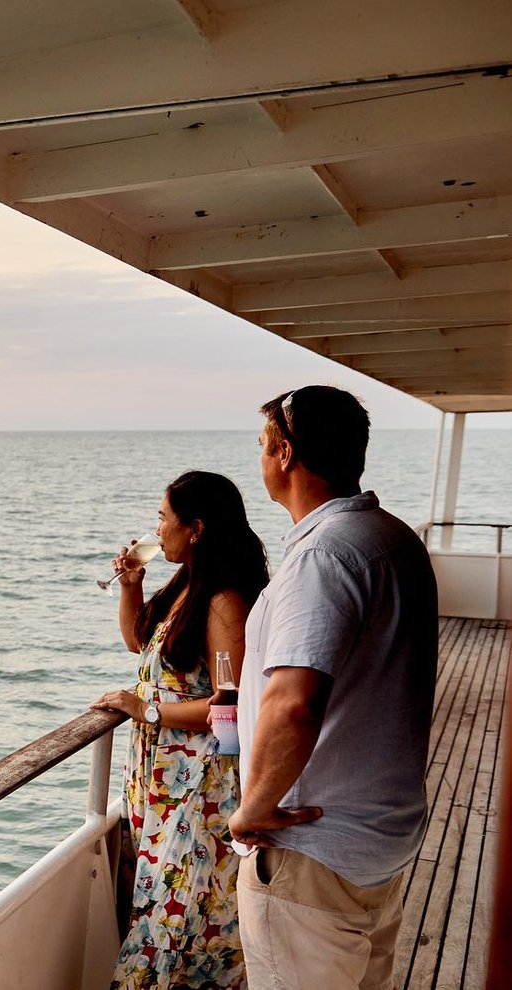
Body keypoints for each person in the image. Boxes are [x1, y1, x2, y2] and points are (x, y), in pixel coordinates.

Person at [229, 386, 438, 990]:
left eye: (264, 447)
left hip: (311, 851)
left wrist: (253, 809)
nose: (262, 460)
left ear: (286, 452)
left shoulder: (322, 556)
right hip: (379, 841)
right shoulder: (392, 538)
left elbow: (293, 702)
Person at [91, 470, 269, 989]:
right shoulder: (187, 585)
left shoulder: (223, 601)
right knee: (161, 902)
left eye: (163, 518)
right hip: (161, 776)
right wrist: (131, 586)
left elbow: (228, 703)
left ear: (195, 528)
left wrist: (145, 710)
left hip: (198, 782)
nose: (156, 529)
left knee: (182, 914)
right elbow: (137, 642)